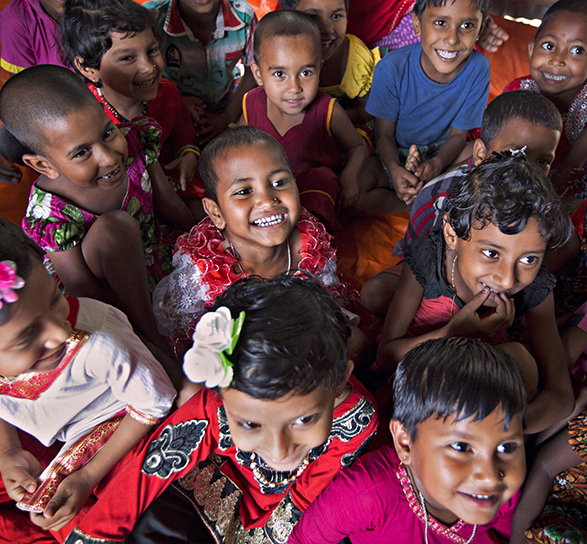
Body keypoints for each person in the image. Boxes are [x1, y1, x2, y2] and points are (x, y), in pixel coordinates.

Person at [64, 275, 378, 544]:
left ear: (340, 380)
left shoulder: (357, 422)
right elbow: (151, 469)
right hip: (206, 488)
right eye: (251, 425)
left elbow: (300, 507)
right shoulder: (219, 400)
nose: (279, 449)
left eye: (304, 419)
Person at [0, 65, 195, 377]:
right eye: (81, 153)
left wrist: (210, 237)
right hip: (105, 295)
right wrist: (125, 333)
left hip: (155, 253)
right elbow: (81, 287)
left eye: (107, 132)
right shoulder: (50, 212)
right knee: (115, 228)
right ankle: (153, 342)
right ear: (43, 165)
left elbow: (169, 203)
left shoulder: (134, 141)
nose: (108, 157)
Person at [0, 218, 176, 544]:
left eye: (55, 300)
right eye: (26, 337)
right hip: (71, 441)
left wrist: (87, 476)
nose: (59, 332)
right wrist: (8, 452)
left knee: (145, 510)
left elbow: (155, 402)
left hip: (129, 420)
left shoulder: (98, 338)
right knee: (57, 519)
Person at [376, 152, 575, 435]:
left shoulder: (535, 287)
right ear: (452, 235)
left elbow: (561, 396)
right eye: (492, 253)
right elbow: (386, 357)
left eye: (529, 259)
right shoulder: (429, 260)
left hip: (486, 408)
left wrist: (497, 431)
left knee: (519, 358)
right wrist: (455, 331)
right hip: (424, 384)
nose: (507, 279)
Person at [289, 337, 527, 543]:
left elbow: (513, 534)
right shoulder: (366, 494)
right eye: (461, 447)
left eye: (506, 447)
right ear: (405, 443)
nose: (490, 474)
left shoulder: (500, 491)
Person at [361, 90, 564, 317]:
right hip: (441, 274)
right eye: (515, 153)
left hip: (494, 276)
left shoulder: (540, 198)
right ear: (480, 154)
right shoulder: (440, 200)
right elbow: (421, 259)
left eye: (543, 161)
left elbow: (562, 246)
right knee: (377, 294)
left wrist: (522, 276)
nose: (526, 168)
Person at [153, 126, 346, 350]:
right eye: (244, 191)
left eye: (279, 183)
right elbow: (193, 344)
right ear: (216, 213)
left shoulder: (310, 244)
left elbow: (328, 304)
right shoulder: (203, 274)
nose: (267, 201)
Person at [60, 0, 204, 218]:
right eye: (127, 58)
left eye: (152, 50)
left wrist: (188, 154)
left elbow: (183, 135)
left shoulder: (167, 93)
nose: (148, 67)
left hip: (168, 182)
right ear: (87, 69)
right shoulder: (81, 118)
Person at [241, 10, 372, 229]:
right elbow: (242, 145)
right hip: (270, 194)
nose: (294, 88)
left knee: (323, 179)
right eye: (280, 74)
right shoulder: (251, 103)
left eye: (305, 73)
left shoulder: (328, 110)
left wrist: (349, 178)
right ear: (257, 73)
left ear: (320, 67)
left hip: (313, 194)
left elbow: (356, 147)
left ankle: (310, 244)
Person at [367, 0, 491, 205]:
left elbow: (458, 135)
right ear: (417, 23)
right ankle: (424, 201)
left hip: (443, 151)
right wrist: (395, 169)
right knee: (355, 189)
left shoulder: (478, 67)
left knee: (486, 155)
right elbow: (385, 134)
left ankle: (424, 196)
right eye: (441, 22)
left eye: (467, 25)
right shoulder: (391, 67)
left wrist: (437, 164)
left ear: (481, 29)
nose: (452, 39)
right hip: (392, 151)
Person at [142, 0, 258, 146]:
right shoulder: (152, 17)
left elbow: (253, 71)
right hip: (172, 97)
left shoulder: (244, 17)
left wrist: (227, 116)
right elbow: (142, 74)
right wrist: (179, 100)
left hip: (227, 96)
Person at [504, 0, 587, 199]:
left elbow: (572, 168)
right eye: (549, 46)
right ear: (532, 51)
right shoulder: (518, 90)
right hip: (517, 188)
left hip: (569, 197)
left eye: (577, 50)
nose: (557, 60)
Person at [280, 0, 380, 127]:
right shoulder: (279, 55)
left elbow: (366, 110)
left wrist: (325, 120)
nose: (328, 30)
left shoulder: (356, 56)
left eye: (336, 16)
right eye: (313, 17)